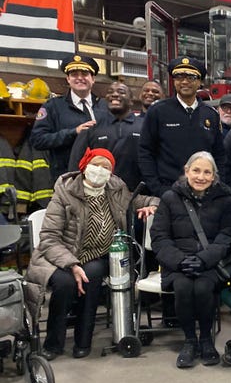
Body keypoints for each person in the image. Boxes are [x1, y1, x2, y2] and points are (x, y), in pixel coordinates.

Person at [25, 148, 158, 360]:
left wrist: (152, 206)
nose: (100, 171)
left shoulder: (116, 188)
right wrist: (72, 264)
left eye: (106, 167)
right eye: (96, 165)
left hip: (98, 256)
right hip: (60, 257)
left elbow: (140, 200)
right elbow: (49, 238)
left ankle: (83, 341)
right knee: (65, 283)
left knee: (93, 273)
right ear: (85, 166)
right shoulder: (65, 192)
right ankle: (53, 343)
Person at [150, 151, 231, 368]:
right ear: (186, 171)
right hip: (176, 263)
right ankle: (189, 341)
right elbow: (159, 237)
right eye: (196, 170)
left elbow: (228, 236)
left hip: (209, 262)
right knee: (182, 287)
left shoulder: (225, 200)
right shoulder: (170, 198)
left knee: (203, 288)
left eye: (207, 172)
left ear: (214, 176)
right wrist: (179, 261)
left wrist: (204, 259)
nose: (201, 176)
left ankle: (206, 339)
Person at [138, 56, 226, 197]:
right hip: (167, 192)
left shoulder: (211, 115)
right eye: (179, 77)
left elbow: (219, 155)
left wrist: (216, 185)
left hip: (203, 193)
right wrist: (157, 188)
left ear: (200, 82)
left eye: (191, 77)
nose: (184, 82)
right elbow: (145, 152)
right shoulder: (157, 111)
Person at [31, 54, 111, 182]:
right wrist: (73, 133)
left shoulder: (106, 106)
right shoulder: (53, 106)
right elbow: (38, 140)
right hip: (67, 179)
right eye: (74, 74)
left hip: (102, 178)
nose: (80, 78)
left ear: (93, 79)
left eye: (84, 74)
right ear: (68, 79)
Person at [68, 82, 145, 191]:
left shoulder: (144, 126)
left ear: (131, 100)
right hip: (99, 194)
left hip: (139, 194)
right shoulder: (92, 127)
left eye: (121, 92)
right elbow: (76, 163)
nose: (114, 94)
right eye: (110, 92)